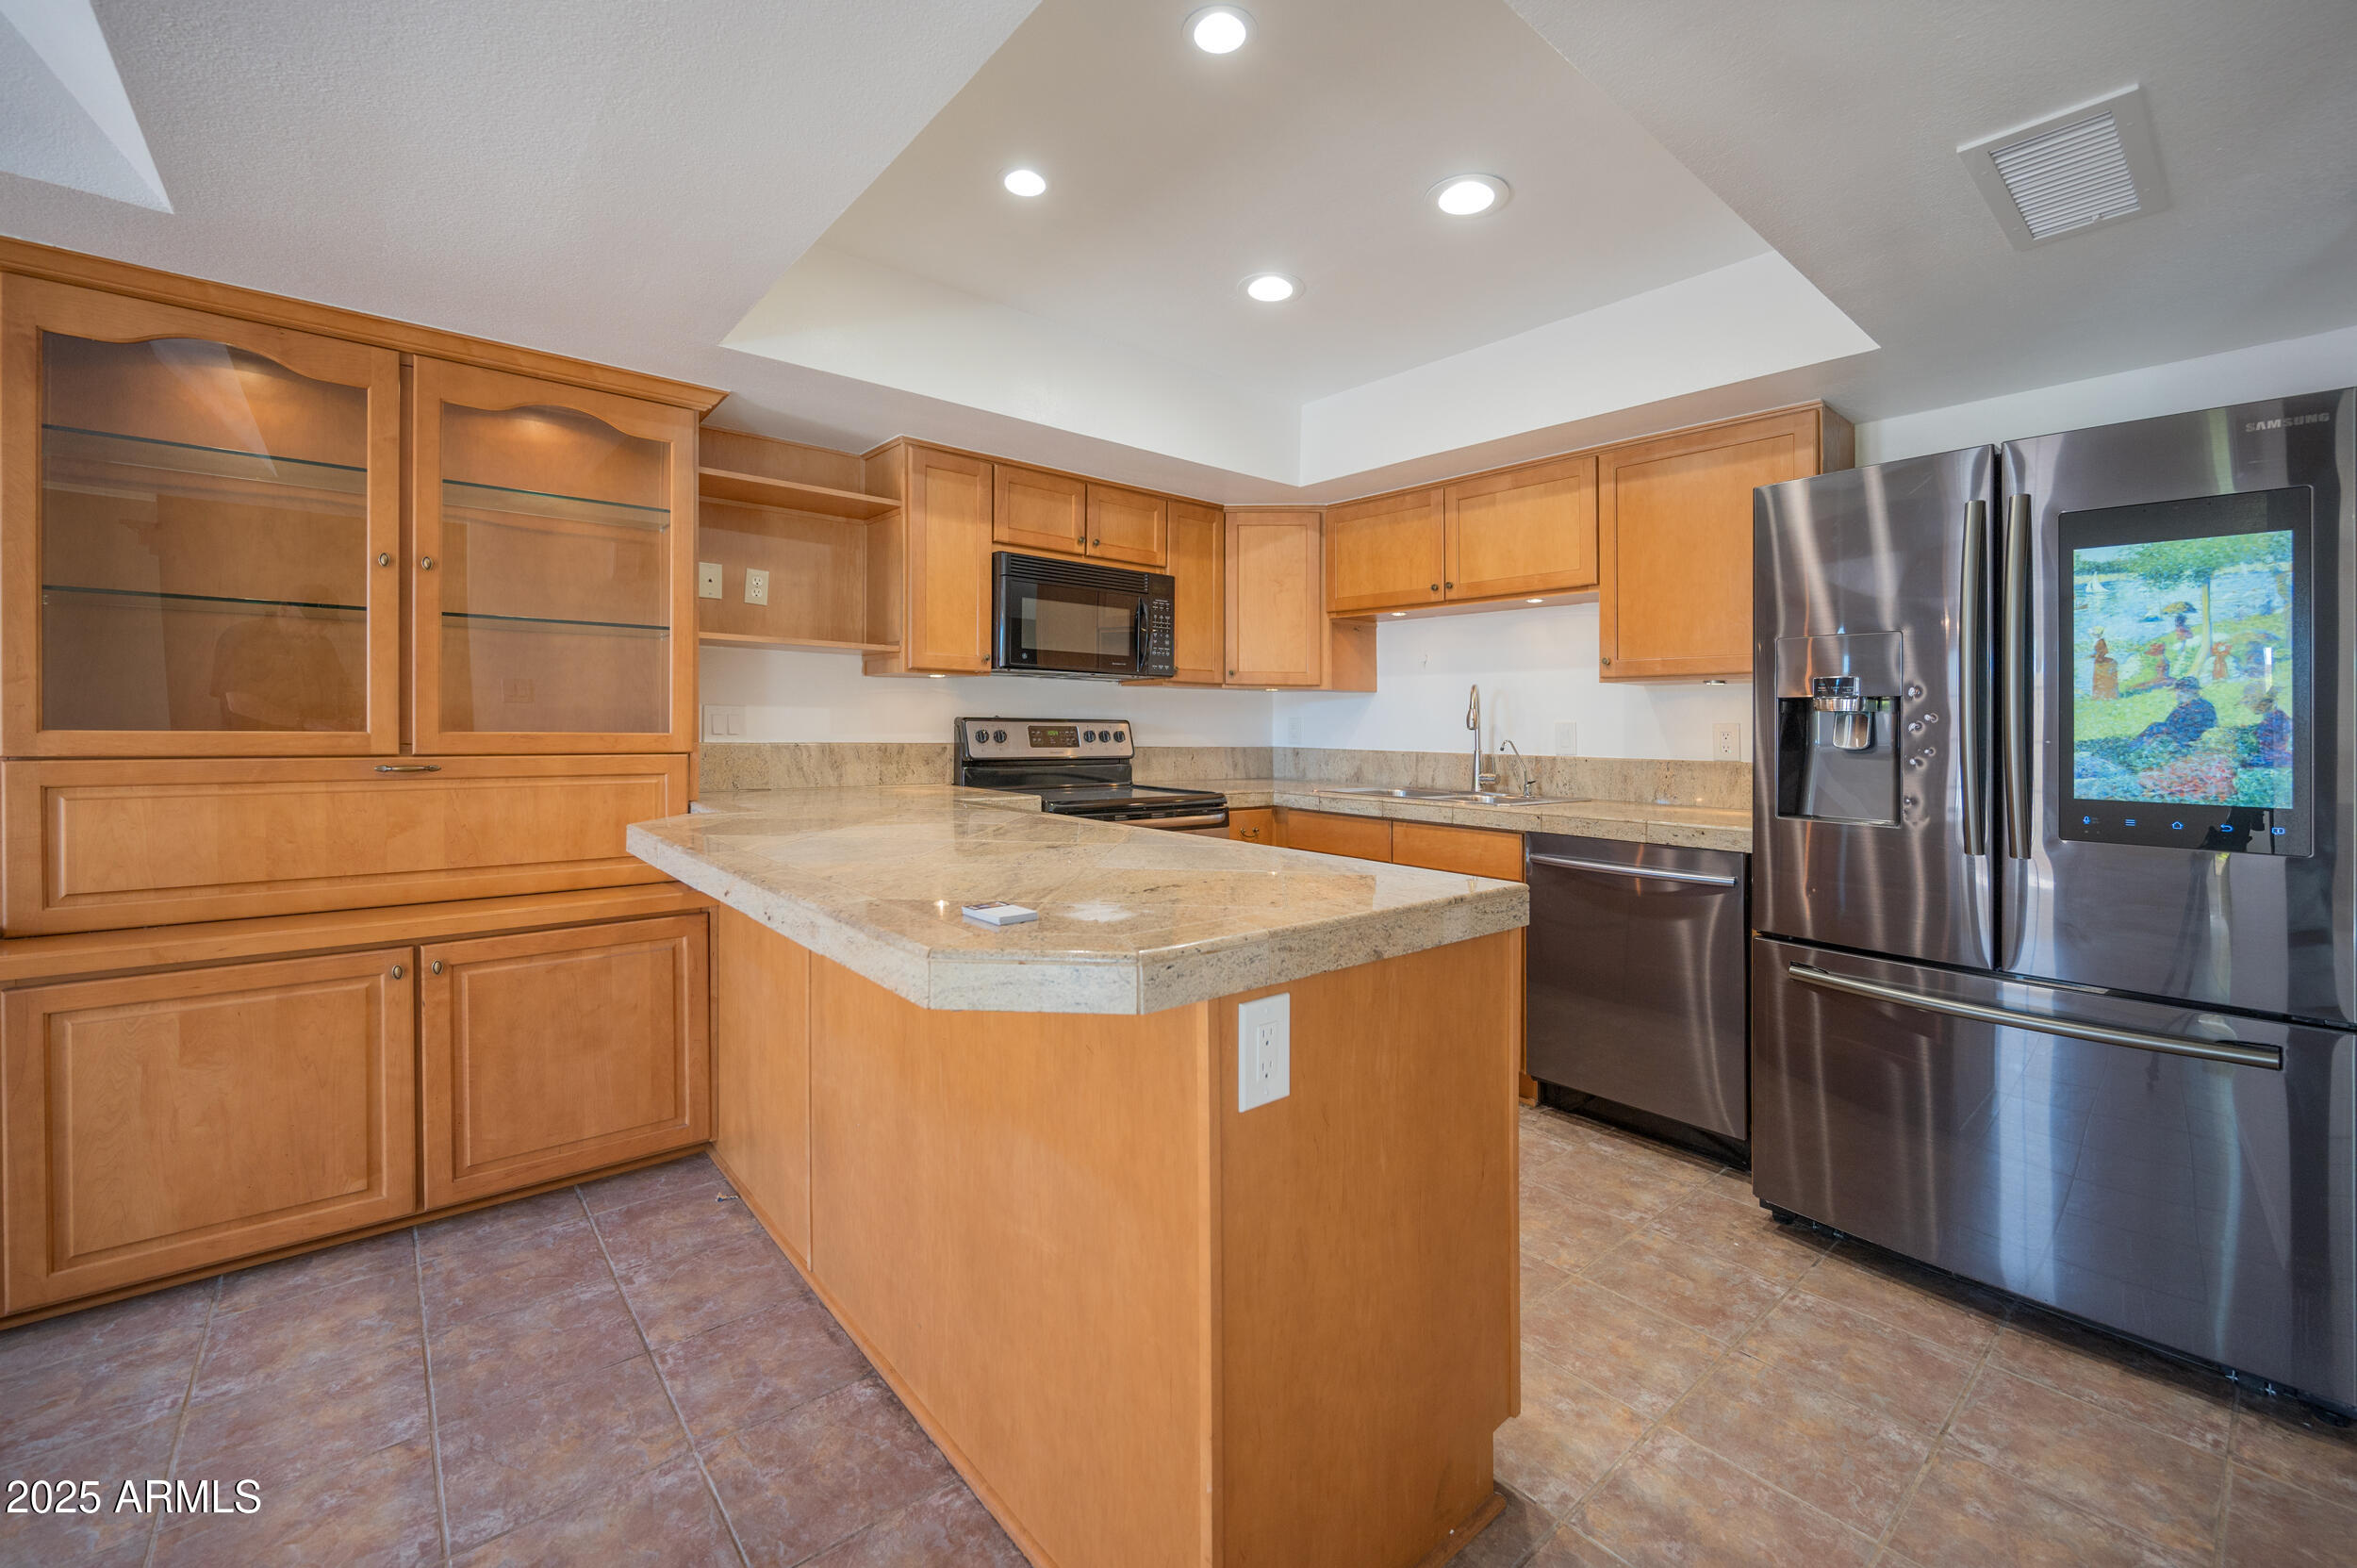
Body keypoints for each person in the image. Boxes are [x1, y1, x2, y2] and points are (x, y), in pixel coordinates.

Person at [2134, 678, 2217, 756]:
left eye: (2182, 691)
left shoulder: (2197, 707)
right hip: (2183, 735)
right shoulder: (2187, 705)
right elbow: (2171, 723)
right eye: (2178, 691)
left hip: (2188, 738)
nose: (2177, 695)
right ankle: (2136, 748)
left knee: (2155, 727)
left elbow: (2189, 727)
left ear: (2192, 692)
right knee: (2155, 727)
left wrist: (2165, 731)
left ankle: (2134, 749)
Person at [2244, 686, 2292, 767]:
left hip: (2274, 757)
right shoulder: (2271, 716)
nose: (2255, 707)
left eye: (2262, 704)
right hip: (2270, 755)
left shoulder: (2277, 718)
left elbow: (2274, 742)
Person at [2089, 632, 2118, 699]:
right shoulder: (2098, 641)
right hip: (2100, 662)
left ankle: (2107, 696)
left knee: (2103, 680)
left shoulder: (2100, 642)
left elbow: (2103, 651)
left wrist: (2097, 657)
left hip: (2101, 663)